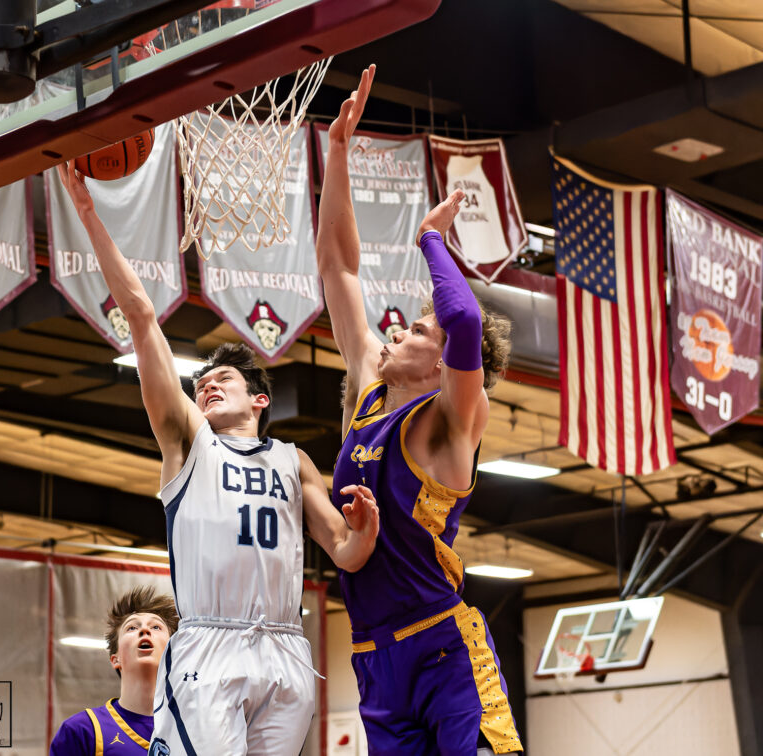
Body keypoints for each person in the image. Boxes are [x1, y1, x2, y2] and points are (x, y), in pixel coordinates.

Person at [56, 163, 381, 756]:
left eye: (222, 378)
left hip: (285, 647)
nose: (206, 386)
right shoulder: (188, 441)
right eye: (200, 381)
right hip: (209, 644)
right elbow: (141, 315)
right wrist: (88, 216)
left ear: (259, 398)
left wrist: (365, 528)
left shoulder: (293, 460)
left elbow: (345, 551)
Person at [316, 65, 522, 756]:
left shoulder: (454, 417)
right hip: (375, 661)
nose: (400, 329)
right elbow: (339, 269)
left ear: (442, 365)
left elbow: (464, 322)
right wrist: (337, 153)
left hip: (443, 651)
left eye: (418, 330)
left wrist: (432, 240)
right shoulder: (371, 383)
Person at [50, 586, 179, 755]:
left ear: (173, 653)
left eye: (156, 627)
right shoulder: (81, 730)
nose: (145, 630)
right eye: (132, 628)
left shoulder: (193, 728)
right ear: (115, 658)